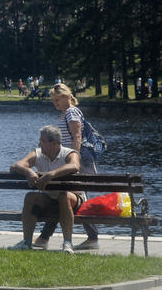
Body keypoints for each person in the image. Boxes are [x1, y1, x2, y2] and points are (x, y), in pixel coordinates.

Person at [34, 83, 100, 250]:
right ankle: (45, 237)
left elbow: (77, 136)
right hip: (73, 161)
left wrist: (73, 162)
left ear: (65, 97)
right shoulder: (67, 113)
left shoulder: (71, 112)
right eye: (53, 100)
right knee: (65, 196)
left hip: (77, 162)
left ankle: (92, 238)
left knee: (71, 196)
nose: (55, 103)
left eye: (57, 99)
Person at [8, 125, 82, 254]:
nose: (39, 144)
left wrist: (51, 174)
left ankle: (67, 244)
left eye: (42, 141)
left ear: (53, 143)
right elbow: (16, 165)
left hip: (73, 200)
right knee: (30, 197)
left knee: (63, 195)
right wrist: (28, 172)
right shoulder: (38, 154)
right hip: (49, 199)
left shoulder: (69, 153)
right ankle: (26, 242)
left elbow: (74, 166)